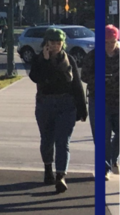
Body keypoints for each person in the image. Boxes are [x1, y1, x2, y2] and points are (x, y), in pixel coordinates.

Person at [28, 27, 89, 193]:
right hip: (45, 104)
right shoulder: (39, 59)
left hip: (66, 104)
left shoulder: (69, 59)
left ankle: (61, 175)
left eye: (58, 42)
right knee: (47, 140)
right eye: (52, 42)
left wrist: (82, 108)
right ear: (46, 43)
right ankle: (48, 168)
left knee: (63, 141)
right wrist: (46, 60)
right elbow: (36, 77)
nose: (55, 45)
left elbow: (76, 84)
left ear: (63, 43)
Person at [84, 25, 119, 179]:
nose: (109, 45)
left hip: (118, 101)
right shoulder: (93, 56)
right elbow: (84, 75)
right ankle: (104, 168)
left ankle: (113, 159)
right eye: (106, 42)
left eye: (112, 42)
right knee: (102, 137)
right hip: (99, 101)